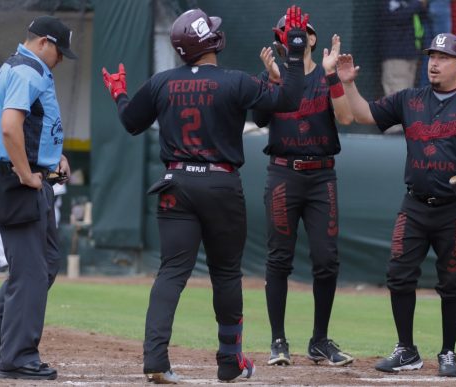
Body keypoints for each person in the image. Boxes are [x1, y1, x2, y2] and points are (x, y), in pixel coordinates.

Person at [102, 6, 308, 384]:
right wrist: (295, 47)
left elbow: (131, 122)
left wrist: (118, 94)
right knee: (226, 273)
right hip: (220, 184)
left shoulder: (162, 81)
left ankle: (155, 359)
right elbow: (291, 98)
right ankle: (230, 361)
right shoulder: (235, 80)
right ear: (210, 40)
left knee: (171, 272)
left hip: (175, 183)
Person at [336, 33, 456, 377]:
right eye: (432, 55)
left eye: (443, 57)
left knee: (453, 282)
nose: (434, 62)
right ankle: (406, 350)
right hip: (414, 204)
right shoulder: (409, 99)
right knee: (399, 275)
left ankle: (448, 352)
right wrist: (347, 85)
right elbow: (365, 115)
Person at [0, 15, 74, 381]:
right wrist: (28, 172)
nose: (61, 58)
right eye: (60, 51)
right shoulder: (28, 71)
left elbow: (27, 126)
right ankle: (18, 357)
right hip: (18, 182)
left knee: (44, 264)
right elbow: (11, 126)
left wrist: (52, 156)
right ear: (44, 42)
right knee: (31, 272)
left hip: (21, 178)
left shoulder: (18, 66)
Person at [252, 11, 354, 368]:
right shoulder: (274, 78)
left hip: (321, 176)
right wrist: (273, 80)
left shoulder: (325, 76)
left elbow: (345, 118)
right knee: (279, 259)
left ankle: (319, 340)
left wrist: (332, 75)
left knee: (327, 259)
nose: (294, 39)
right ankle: (278, 340)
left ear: (311, 38)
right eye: (287, 35)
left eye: (301, 33)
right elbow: (261, 118)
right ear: (282, 43)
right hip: (283, 175)